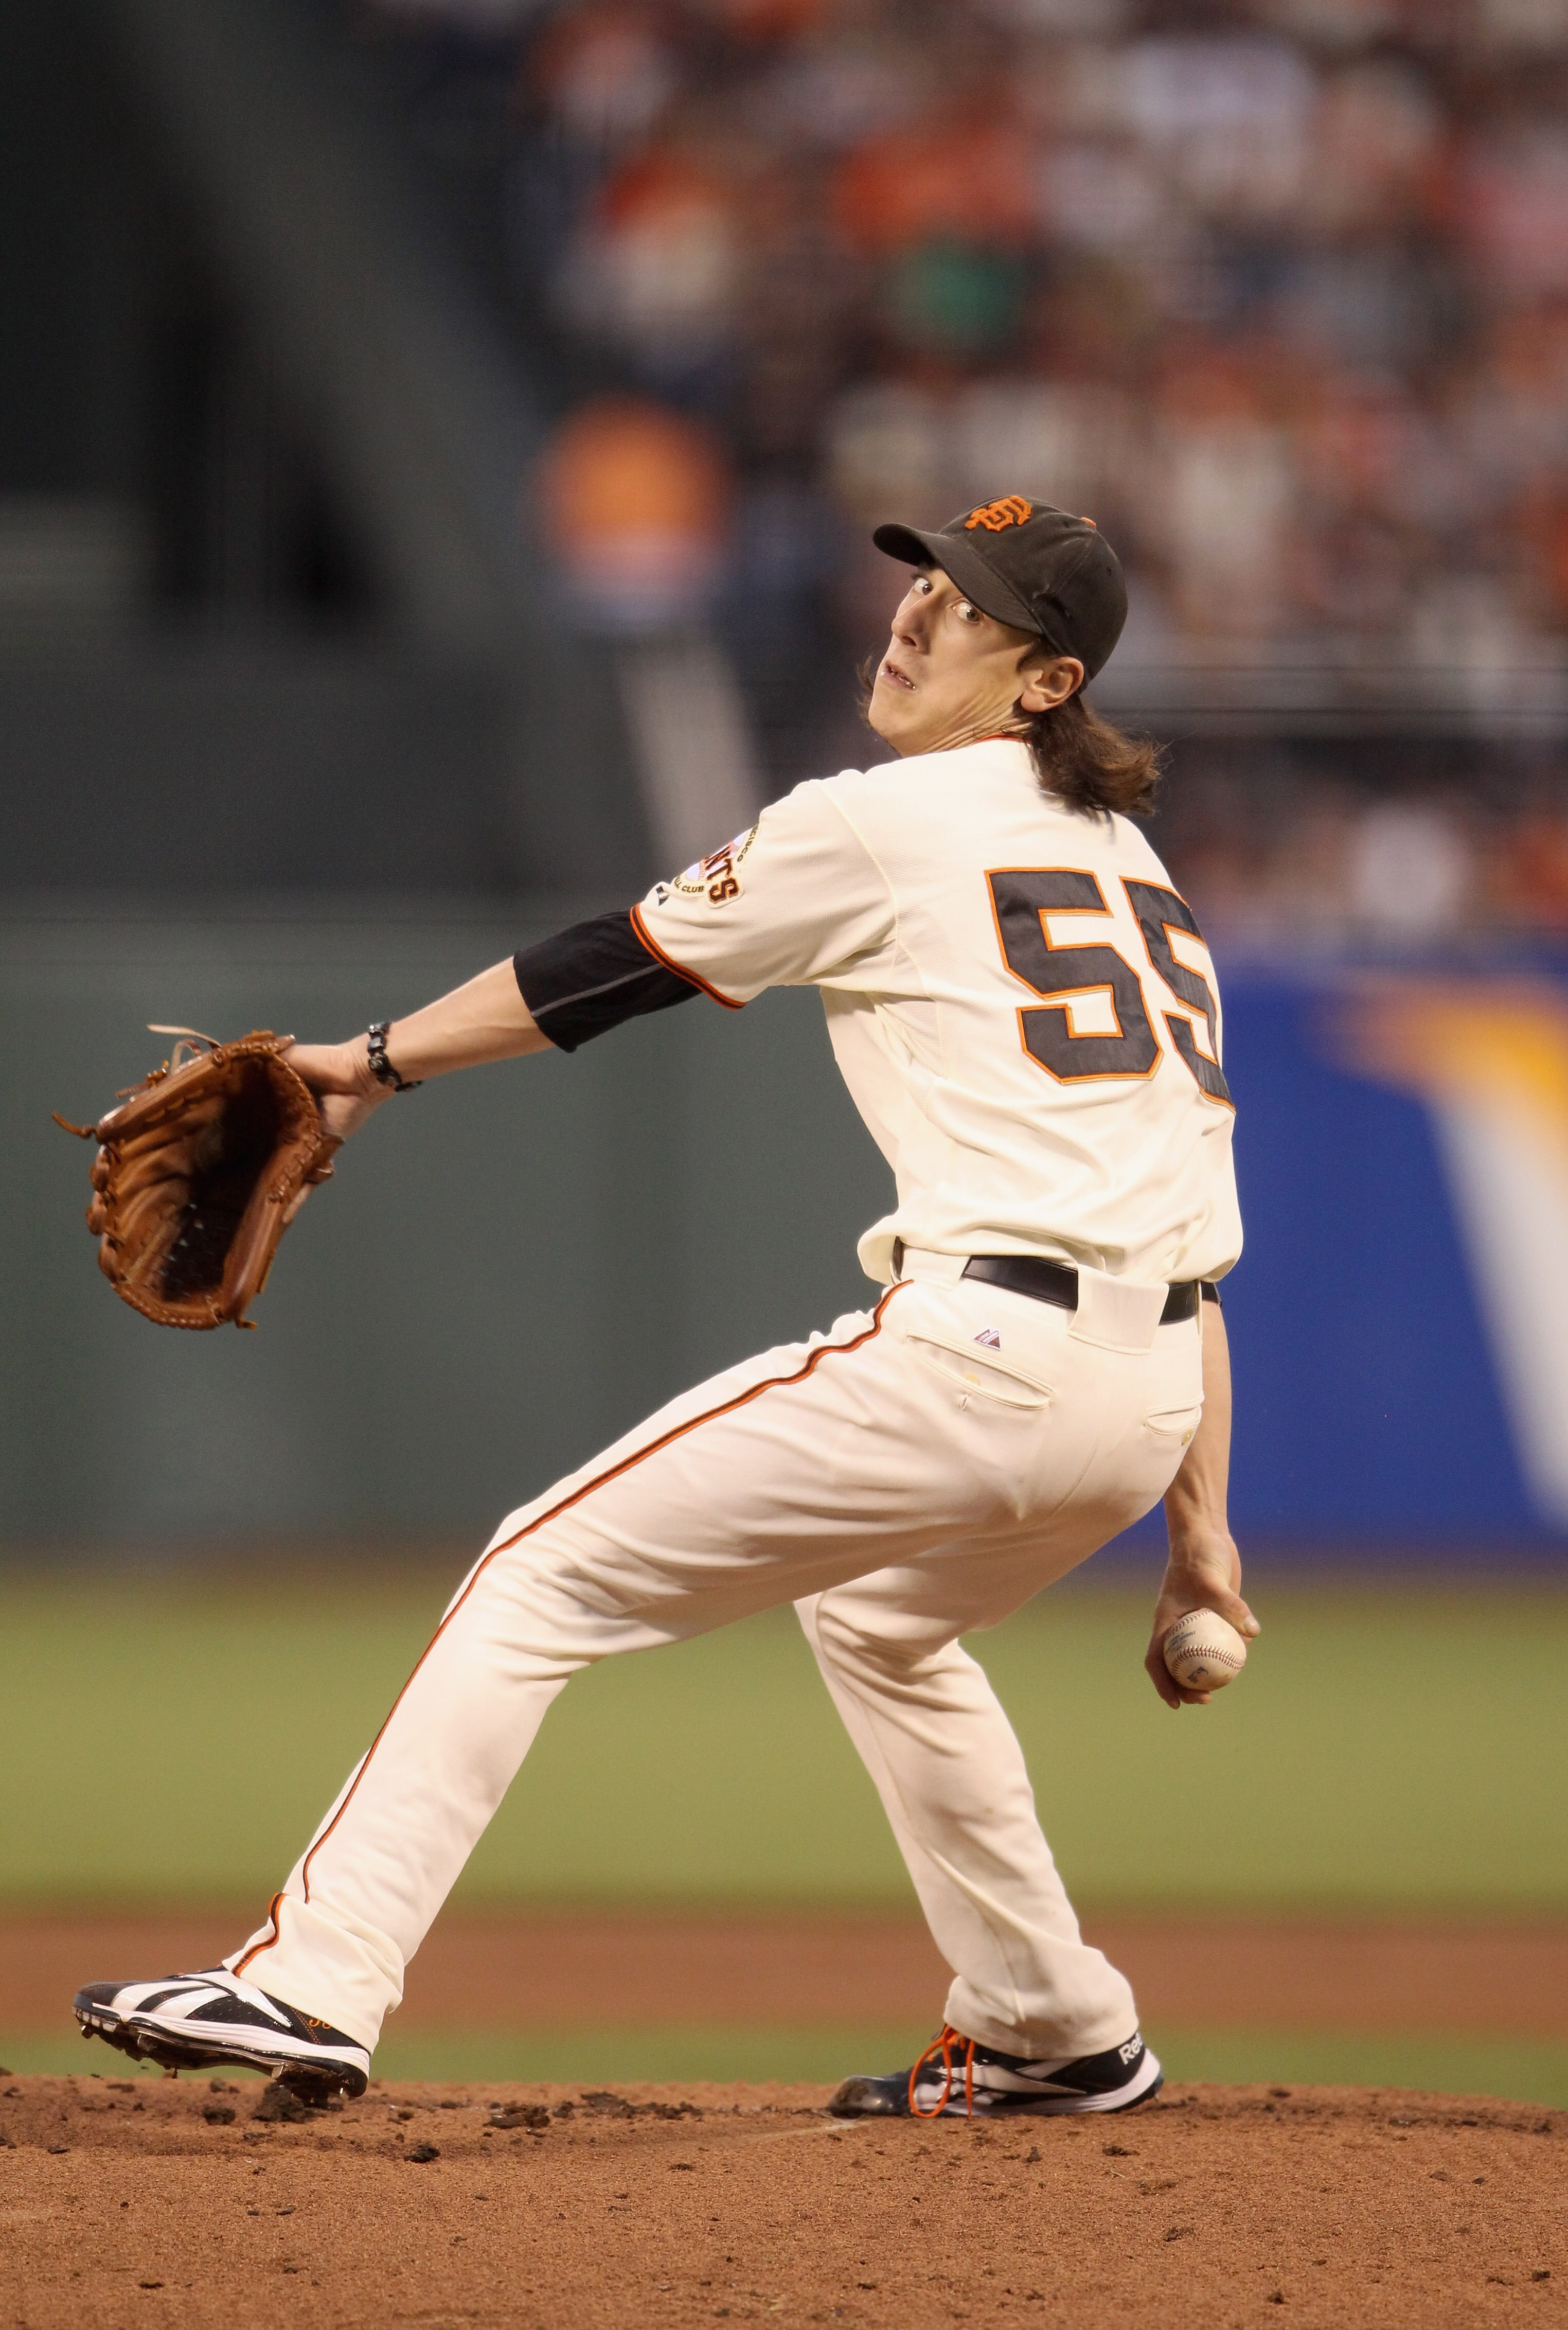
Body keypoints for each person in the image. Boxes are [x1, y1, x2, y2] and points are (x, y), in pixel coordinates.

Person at [75, 497, 1253, 2121]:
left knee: (534, 1573)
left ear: (1048, 683)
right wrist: (1203, 1537)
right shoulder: (1139, 873)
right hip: (1144, 1400)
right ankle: (1056, 2022)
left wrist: (369, 1065)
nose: (914, 616)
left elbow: (610, 966)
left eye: (968, 609)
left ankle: (310, 1983)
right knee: (880, 1621)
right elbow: (1191, 1253)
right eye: (921, 583)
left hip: (980, 1357)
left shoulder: (882, 820)